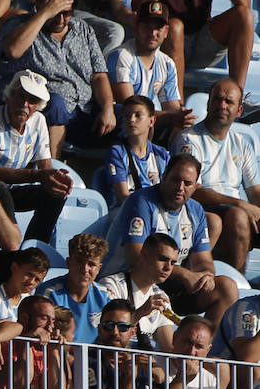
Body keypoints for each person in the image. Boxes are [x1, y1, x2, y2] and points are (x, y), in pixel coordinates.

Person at [108, 153, 237, 326]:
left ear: (196, 186)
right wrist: (185, 275)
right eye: (176, 180)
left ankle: (201, 346)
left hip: (167, 285)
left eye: (188, 183)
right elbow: (136, 255)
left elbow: (203, 260)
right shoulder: (142, 201)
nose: (180, 187)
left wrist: (205, 276)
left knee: (226, 288)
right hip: (127, 283)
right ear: (164, 176)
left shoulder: (195, 210)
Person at [0, 0, 116, 154]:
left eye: (66, 13)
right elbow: (13, 50)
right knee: (56, 103)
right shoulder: (18, 25)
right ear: (40, 4)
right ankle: (52, 171)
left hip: (85, 110)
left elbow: (99, 74)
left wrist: (108, 109)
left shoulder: (82, 29)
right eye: (56, 12)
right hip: (44, 112)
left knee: (134, 115)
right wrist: (44, 13)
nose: (61, 19)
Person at [0, 69, 71, 243]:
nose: (25, 104)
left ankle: (34, 249)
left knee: (55, 194)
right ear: (8, 96)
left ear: (38, 106)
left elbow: (45, 165)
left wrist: (54, 179)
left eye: (32, 100)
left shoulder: (38, 121)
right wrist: (38, 175)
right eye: (21, 96)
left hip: (6, 190)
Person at [173, 79, 260, 273]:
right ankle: (236, 284)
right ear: (208, 103)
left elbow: (255, 192)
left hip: (234, 208)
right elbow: (192, 192)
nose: (222, 105)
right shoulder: (189, 140)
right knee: (239, 216)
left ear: (239, 111)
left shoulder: (242, 144)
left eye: (229, 102)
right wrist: (240, 204)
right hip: (199, 208)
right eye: (217, 99)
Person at [108, 3, 193, 131]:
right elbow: (129, 109)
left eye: (158, 28)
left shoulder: (167, 64)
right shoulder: (122, 56)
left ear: (166, 32)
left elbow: (172, 107)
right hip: (118, 126)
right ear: (136, 27)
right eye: (147, 27)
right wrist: (171, 118)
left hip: (146, 124)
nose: (153, 33)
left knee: (182, 129)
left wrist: (182, 116)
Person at [99, 231, 178, 351]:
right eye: (163, 259)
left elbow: (169, 349)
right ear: (144, 255)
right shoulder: (112, 286)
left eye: (173, 263)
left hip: (142, 365)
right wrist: (141, 312)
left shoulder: (161, 297)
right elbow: (107, 333)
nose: (168, 267)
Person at [101, 93, 174, 211]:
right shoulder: (117, 152)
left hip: (156, 211)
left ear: (151, 121)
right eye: (127, 115)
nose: (132, 119)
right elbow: (123, 197)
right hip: (126, 212)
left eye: (138, 115)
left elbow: (168, 191)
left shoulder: (162, 155)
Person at [38, 233, 112, 344]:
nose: (84, 269)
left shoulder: (106, 296)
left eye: (91, 264)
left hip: (95, 359)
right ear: (68, 262)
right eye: (79, 261)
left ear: (99, 268)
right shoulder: (49, 293)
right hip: (58, 355)